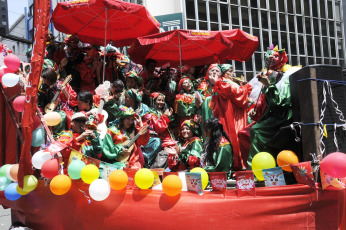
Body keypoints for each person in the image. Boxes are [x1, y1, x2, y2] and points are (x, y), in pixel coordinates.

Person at [247, 45, 291, 169]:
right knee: (244, 133)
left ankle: (257, 170)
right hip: (270, 114)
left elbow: (280, 101)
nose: (271, 58)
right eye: (270, 55)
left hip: (281, 115)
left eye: (276, 56)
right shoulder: (267, 74)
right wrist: (255, 111)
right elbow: (263, 101)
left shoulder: (286, 74)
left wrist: (268, 86)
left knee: (255, 131)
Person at [142, 92, 176, 166]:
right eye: (159, 100)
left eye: (163, 100)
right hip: (158, 137)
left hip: (166, 137)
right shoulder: (151, 113)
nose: (161, 102)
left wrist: (169, 116)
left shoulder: (161, 112)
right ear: (153, 101)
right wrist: (165, 116)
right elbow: (159, 128)